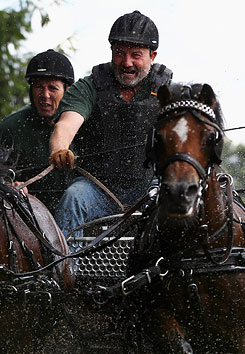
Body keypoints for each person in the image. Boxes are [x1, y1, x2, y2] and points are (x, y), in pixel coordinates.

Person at [48, 10, 173, 237]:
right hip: (96, 189)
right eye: (119, 53)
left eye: (136, 55)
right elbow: (65, 125)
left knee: (178, 203)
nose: (126, 62)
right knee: (73, 197)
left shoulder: (169, 92)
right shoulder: (89, 87)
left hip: (150, 189)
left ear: (152, 56)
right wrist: (59, 149)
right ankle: (61, 270)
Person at [0, 49, 75, 212]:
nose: (45, 95)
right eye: (39, 87)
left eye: (53, 88)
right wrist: (8, 185)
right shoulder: (11, 127)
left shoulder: (81, 123)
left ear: (67, 91)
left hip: (75, 211)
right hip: (25, 214)